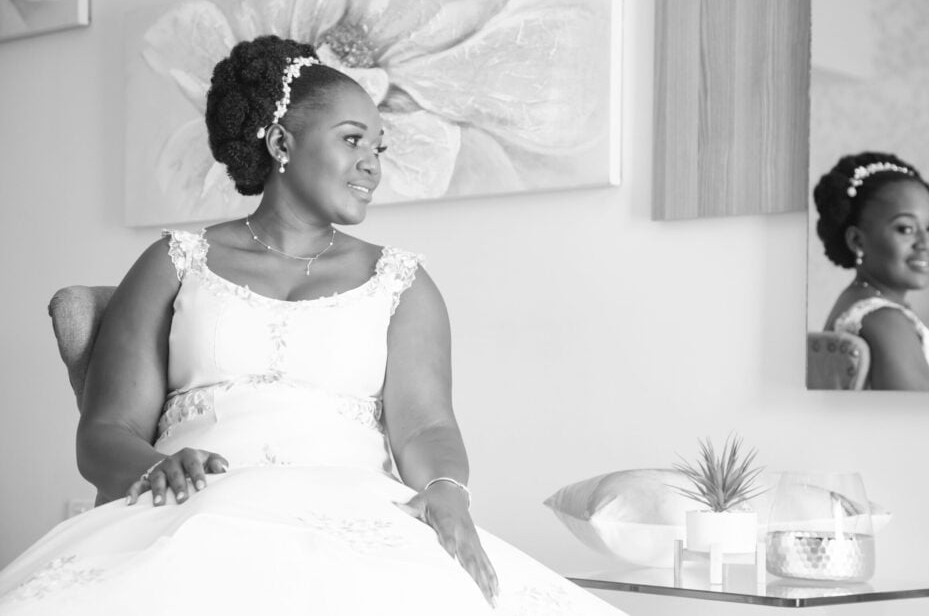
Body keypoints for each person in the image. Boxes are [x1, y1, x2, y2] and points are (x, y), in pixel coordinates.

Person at [0, 36, 624, 615]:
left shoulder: (402, 283)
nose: (372, 164)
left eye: (379, 147)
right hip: (194, 511)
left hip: (352, 514)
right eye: (353, 139)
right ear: (281, 144)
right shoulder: (174, 263)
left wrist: (446, 490)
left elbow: (428, 425)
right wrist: (149, 467)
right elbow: (106, 430)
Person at [812, 151, 929, 392]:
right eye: (905, 228)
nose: (925, 243)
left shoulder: (858, 305)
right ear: (857, 241)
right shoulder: (885, 321)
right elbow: (928, 426)